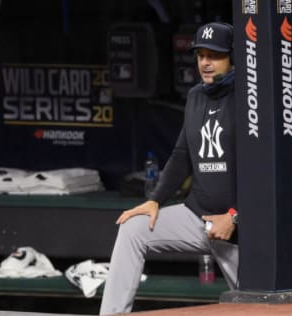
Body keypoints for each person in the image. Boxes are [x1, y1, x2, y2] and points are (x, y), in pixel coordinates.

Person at [100, 21, 239, 315]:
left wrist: (235, 216)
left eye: (213, 56)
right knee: (133, 229)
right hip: (197, 216)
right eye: (200, 55)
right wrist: (155, 200)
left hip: (237, 228)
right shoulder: (196, 96)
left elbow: (262, 175)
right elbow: (181, 155)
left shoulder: (249, 100)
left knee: (260, 305)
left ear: (231, 57)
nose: (205, 63)